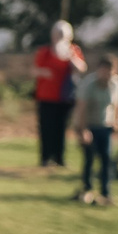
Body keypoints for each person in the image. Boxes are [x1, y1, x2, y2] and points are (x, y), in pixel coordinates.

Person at [71, 53, 118, 206]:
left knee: (107, 159)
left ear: (115, 71)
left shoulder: (116, 84)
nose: (107, 74)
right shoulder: (88, 84)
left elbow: (116, 104)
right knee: (89, 159)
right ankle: (87, 189)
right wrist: (83, 130)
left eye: (110, 71)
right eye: (104, 70)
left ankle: (105, 193)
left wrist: (116, 121)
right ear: (99, 70)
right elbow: (81, 108)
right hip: (88, 125)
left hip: (105, 125)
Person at [32, 20, 85, 169]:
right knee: (46, 129)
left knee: (61, 129)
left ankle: (59, 158)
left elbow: (81, 68)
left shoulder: (73, 50)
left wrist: (70, 56)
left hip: (65, 98)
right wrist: (44, 72)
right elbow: (34, 70)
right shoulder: (45, 51)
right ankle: (45, 158)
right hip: (46, 97)